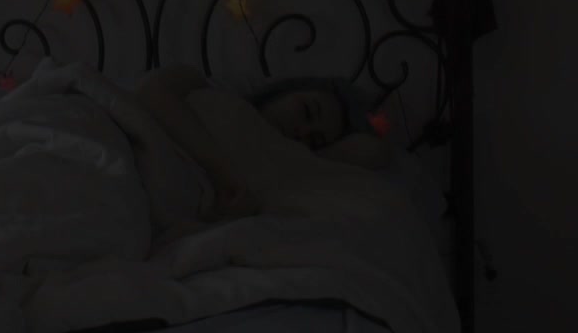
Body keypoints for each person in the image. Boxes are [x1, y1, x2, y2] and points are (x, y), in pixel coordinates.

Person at [133, 65, 394, 229]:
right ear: (286, 91)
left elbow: (375, 152)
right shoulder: (204, 86)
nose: (302, 132)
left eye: (315, 140)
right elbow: (150, 92)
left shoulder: (292, 162)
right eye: (306, 111)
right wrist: (223, 171)